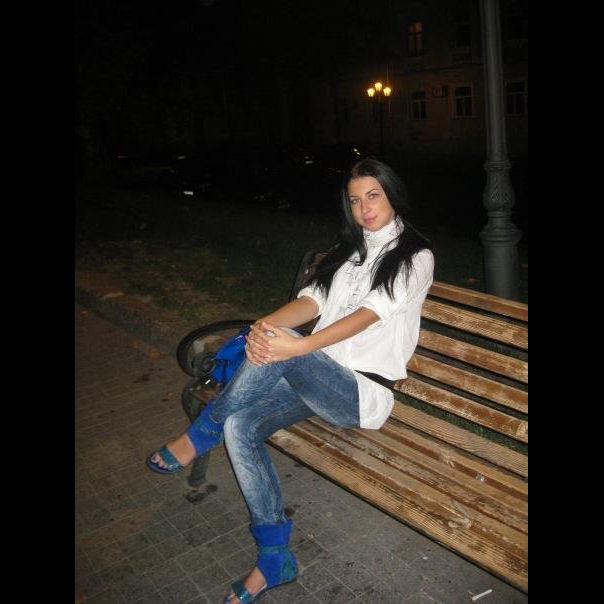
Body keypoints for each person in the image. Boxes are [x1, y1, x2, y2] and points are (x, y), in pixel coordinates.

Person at [147, 158, 435, 603]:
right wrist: (262, 328)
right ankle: (274, 558)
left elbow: (369, 314)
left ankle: (200, 433)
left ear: (392, 195)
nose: (364, 208)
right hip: (313, 378)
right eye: (355, 200)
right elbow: (310, 303)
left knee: (287, 348)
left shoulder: (416, 257)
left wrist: (299, 347)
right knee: (239, 425)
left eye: (373, 196)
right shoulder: (346, 252)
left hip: (359, 392)